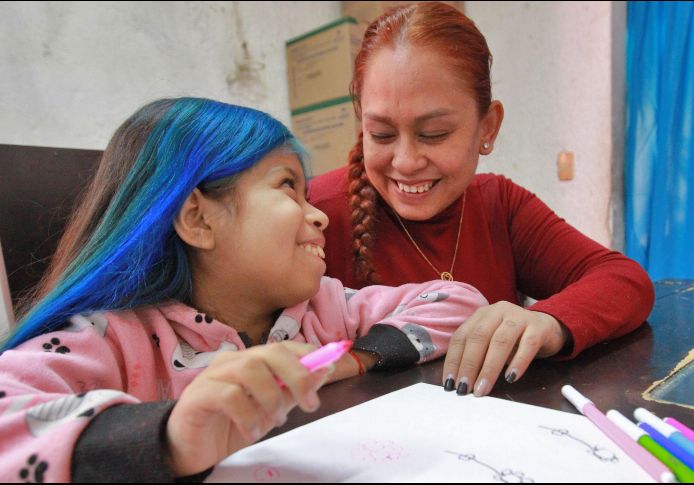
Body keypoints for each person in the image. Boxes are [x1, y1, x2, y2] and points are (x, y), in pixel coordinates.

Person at [0, 98, 487, 482]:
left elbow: (459, 301)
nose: (317, 215)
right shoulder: (113, 340)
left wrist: (354, 359)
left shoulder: (324, 308)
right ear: (198, 218)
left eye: (309, 194)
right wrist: (167, 437)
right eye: (286, 187)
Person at [308, 2, 655, 398]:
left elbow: (623, 280)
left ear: (487, 127)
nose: (405, 162)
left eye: (435, 133)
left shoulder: (499, 205)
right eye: (382, 134)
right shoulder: (315, 214)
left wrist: (547, 322)